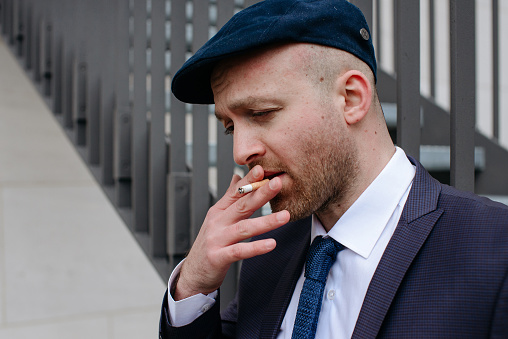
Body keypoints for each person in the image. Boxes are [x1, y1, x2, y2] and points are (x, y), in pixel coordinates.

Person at [159, 0, 508, 338]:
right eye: (231, 127)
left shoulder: (494, 248)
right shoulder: (268, 255)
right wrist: (193, 283)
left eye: (262, 112)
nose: (241, 151)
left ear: (352, 98)